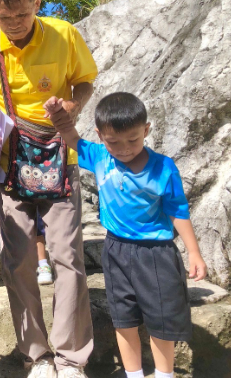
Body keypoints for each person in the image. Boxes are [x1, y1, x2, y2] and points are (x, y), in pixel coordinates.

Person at [0, 0, 98, 378]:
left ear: (38, 2)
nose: (15, 23)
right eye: (5, 17)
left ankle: (71, 358)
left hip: (60, 157)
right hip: (8, 162)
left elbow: (85, 82)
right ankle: (36, 356)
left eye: (23, 14)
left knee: (66, 256)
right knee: (18, 259)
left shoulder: (64, 34)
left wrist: (71, 107)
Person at [44, 92, 207, 378]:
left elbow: (178, 210)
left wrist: (193, 252)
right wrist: (58, 114)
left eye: (133, 139)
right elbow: (71, 137)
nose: (124, 149)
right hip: (116, 251)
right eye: (114, 142)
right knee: (124, 319)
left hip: (156, 254)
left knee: (161, 322)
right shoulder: (99, 157)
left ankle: (164, 374)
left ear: (146, 130)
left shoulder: (163, 167)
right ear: (101, 136)